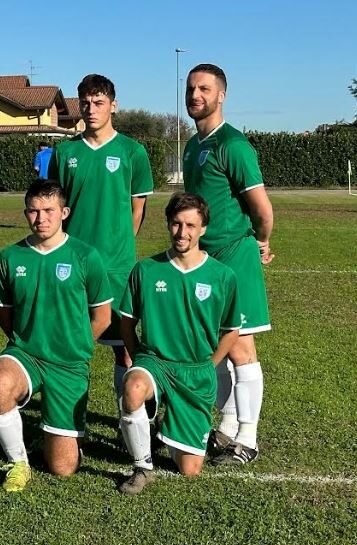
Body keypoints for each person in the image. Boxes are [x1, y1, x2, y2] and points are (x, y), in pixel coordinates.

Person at [0, 180, 112, 492]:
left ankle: (61, 437)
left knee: (63, 468)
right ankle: (19, 463)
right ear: (26, 214)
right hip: (25, 354)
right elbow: (5, 314)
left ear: (64, 213)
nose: (40, 218)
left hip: (68, 363)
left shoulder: (86, 256)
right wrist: (24, 340)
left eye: (48, 211)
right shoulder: (11, 256)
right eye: (33, 211)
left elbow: (102, 316)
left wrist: (77, 345)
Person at [116, 192, 241, 494]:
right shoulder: (146, 270)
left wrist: (210, 365)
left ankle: (165, 428)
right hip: (155, 363)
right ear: (168, 224)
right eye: (175, 224)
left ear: (203, 229)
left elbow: (232, 330)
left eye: (190, 225)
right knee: (133, 387)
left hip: (195, 372)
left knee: (190, 470)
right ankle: (142, 468)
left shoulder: (222, 276)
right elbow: (127, 322)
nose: (182, 233)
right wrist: (139, 361)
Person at [183, 63, 274, 465]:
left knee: (240, 348)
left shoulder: (232, 145)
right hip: (205, 261)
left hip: (234, 257)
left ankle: (248, 441)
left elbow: (262, 208)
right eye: (190, 88)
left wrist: (262, 240)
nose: (195, 95)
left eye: (204, 88)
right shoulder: (192, 146)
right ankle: (227, 424)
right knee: (211, 344)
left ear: (221, 95)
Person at [47, 74, 154, 402]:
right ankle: (67, 420)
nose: (91, 109)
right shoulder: (64, 153)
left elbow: (137, 210)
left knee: (123, 349)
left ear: (113, 105)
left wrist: (119, 246)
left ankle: (130, 418)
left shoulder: (132, 151)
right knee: (66, 345)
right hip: (71, 265)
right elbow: (54, 209)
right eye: (86, 103)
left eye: (99, 103)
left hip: (116, 268)